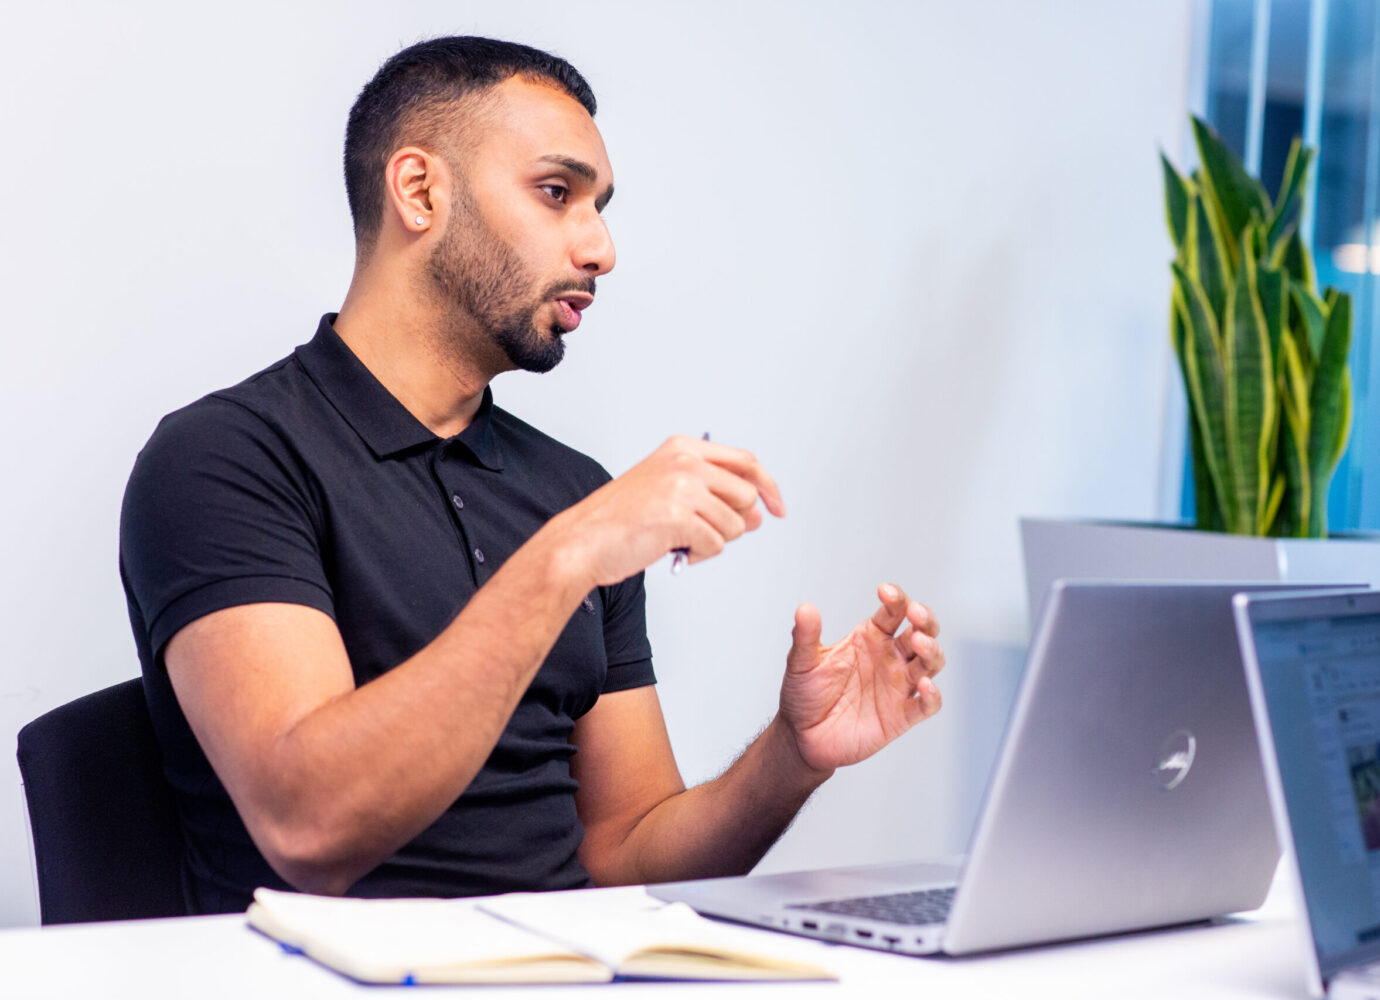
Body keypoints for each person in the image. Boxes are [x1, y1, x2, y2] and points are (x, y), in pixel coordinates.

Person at [120, 36, 945, 914]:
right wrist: (567, 556)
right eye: (558, 194)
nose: (601, 248)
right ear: (419, 191)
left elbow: (625, 854)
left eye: (600, 206)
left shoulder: (572, 493)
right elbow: (310, 827)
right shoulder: (226, 458)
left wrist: (792, 755)